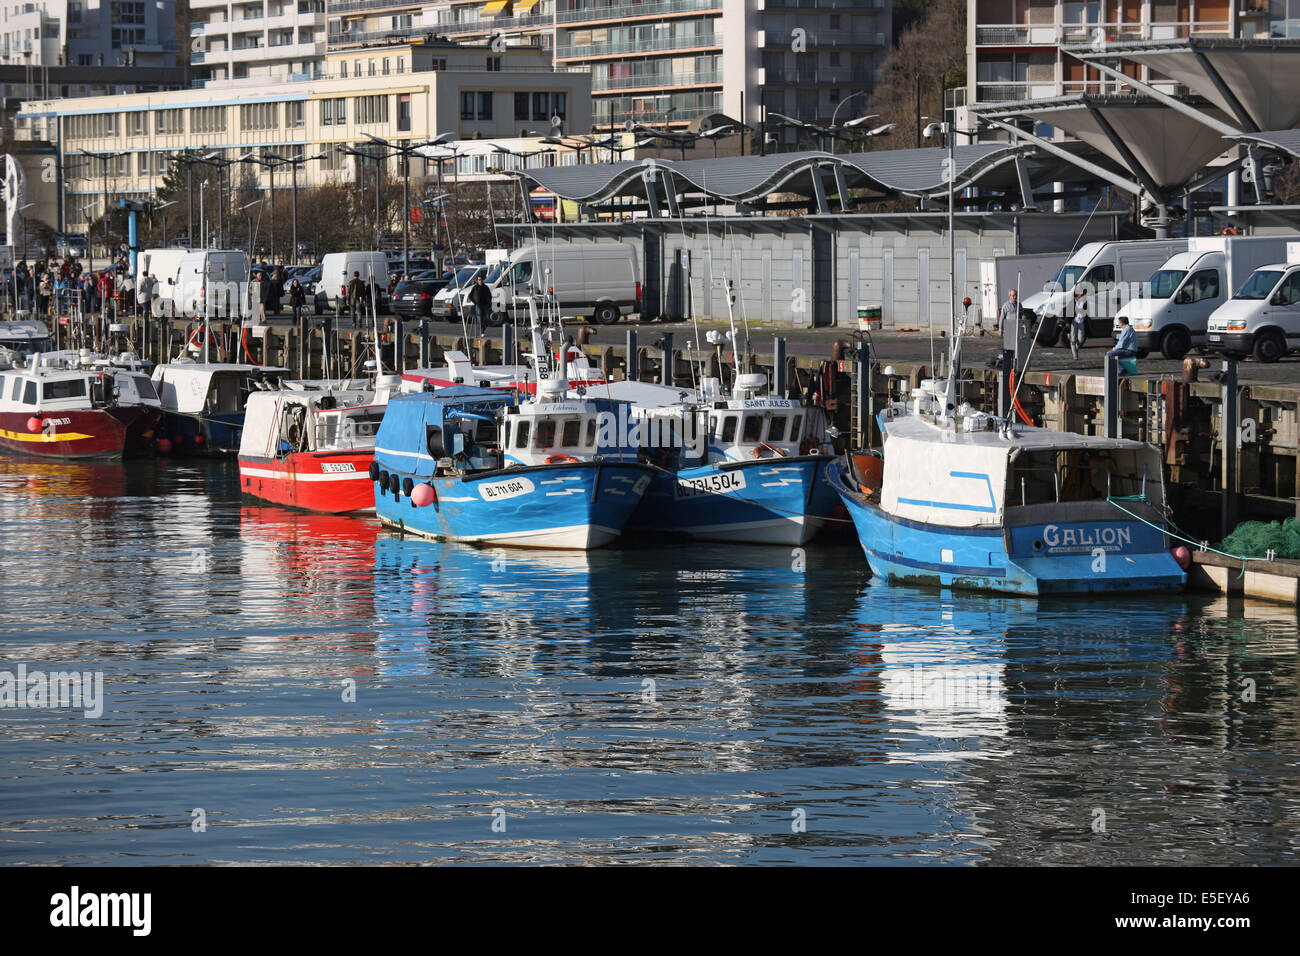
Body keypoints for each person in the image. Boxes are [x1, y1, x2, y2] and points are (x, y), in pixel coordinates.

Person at [1069, 287, 1087, 360]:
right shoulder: (1072, 301)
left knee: (1081, 339)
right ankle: (1075, 355)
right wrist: (1067, 322)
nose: (1082, 295)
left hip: (1081, 321)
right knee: (1073, 338)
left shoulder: (1085, 301)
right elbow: (1069, 312)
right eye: (1081, 294)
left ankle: (1075, 349)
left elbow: (1087, 309)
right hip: (1074, 321)